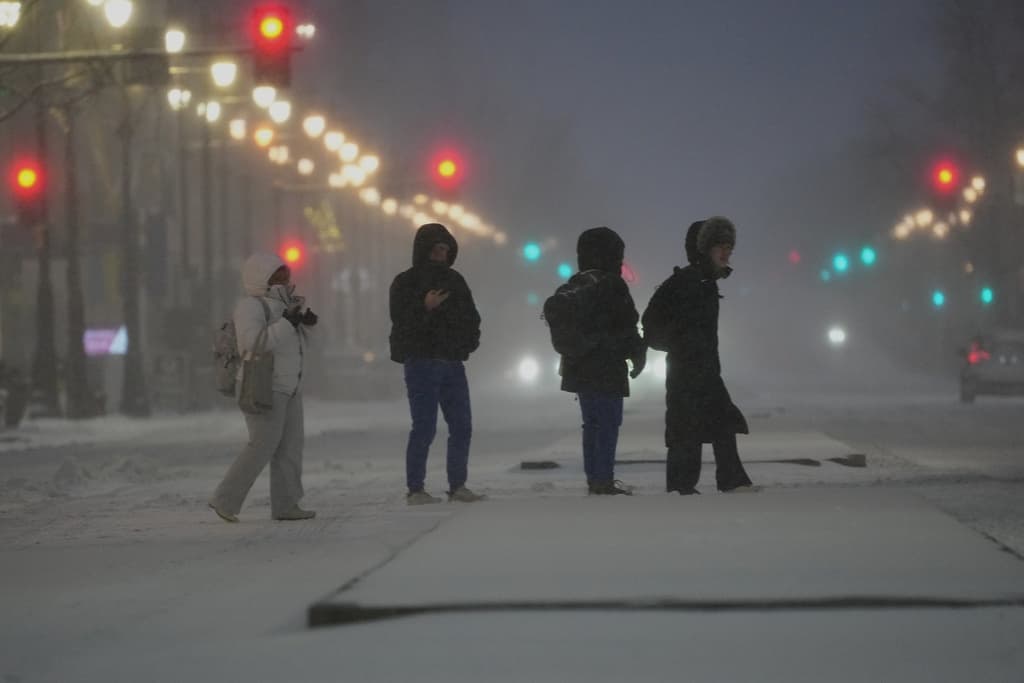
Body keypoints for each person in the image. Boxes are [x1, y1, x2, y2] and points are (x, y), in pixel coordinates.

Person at [641, 217, 756, 494]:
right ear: (705, 249)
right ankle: (686, 486)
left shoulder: (705, 283)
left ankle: (724, 479)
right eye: (721, 246)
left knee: (718, 421)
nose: (727, 252)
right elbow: (651, 323)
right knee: (688, 428)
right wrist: (681, 345)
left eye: (730, 246)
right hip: (686, 371)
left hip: (704, 369)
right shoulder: (687, 282)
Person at [209, 253, 318, 522]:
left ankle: (286, 504)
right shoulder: (250, 306)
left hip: (289, 386)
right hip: (263, 386)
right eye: (277, 276)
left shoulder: (288, 305)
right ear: (261, 279)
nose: (284, 279)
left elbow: (298, 348)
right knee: (262, 445)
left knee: (290, 448)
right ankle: (225, 499)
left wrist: (307, 325)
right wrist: (286, 324)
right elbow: (252, 343)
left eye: (285, 274)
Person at [389, 223, 484, 505]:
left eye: (445, 248)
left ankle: (458, 485)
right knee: (424, 426)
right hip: (421, 362)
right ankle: (415, 489)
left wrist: (466, 343)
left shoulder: (455, 281)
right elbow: (400, 321)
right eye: (437, 248)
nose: (441, 253)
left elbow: (471, 317)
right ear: (425, 249)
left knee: (462, 425)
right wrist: (425, 308)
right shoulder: (406, 282)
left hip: (452, 362)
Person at [558, 227, 646, 496]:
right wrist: (637, 354)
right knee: (608, 423)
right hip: (607, 366)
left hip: (579, 367)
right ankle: (603, 479)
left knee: (591, 423)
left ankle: (593, 479)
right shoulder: (612, 284)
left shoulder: (575, 284)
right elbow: (628, 323)